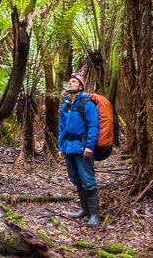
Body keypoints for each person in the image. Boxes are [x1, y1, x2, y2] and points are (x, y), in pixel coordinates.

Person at [58, 73, 100, 227]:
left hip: (83, 148)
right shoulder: (66, 106)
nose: (70, 83)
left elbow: (94, 126)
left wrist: (89, 146)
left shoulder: (87, 105)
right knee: (75, 178)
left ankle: (95, 215)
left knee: (88, 180)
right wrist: (60, 146)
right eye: (69, 81)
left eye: (74, 82)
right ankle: (85, 210)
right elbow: (61, 128)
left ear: (81, 87)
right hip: (69, 148)